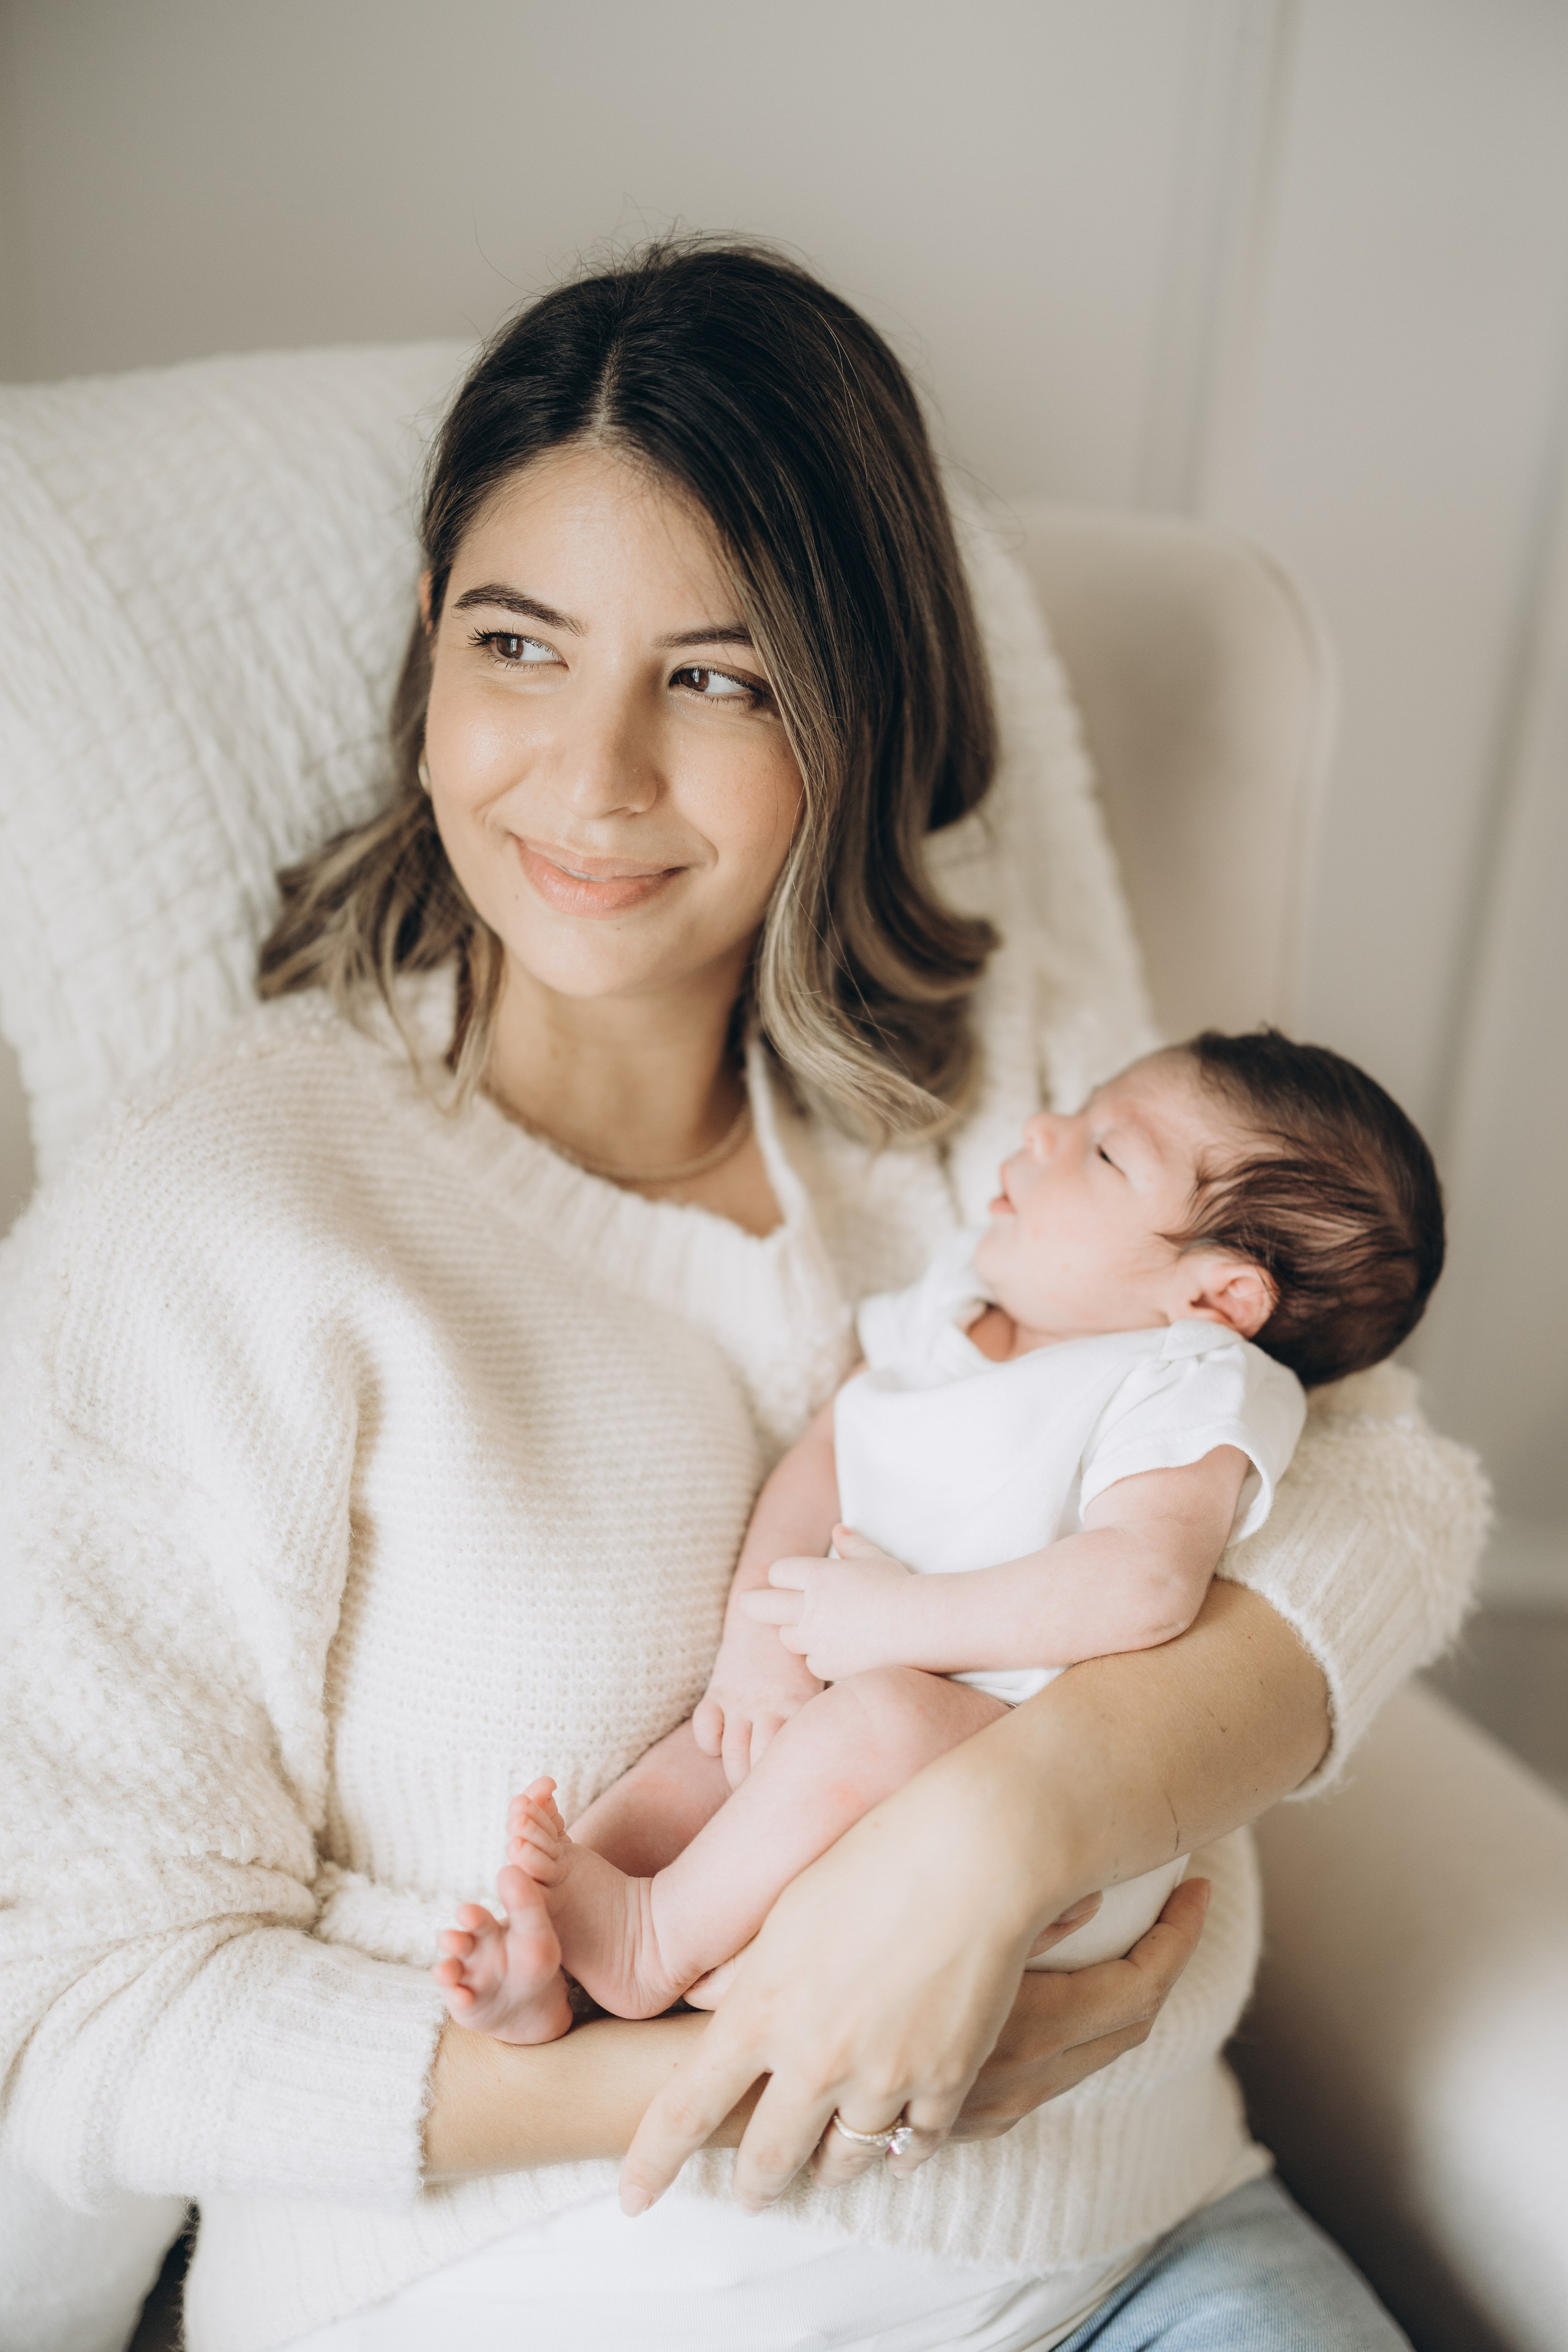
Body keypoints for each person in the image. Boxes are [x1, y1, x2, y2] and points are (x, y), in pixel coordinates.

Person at [0, 240, 1479, 2352]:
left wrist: (1008, 1836)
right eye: (520, 646)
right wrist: (798, 2048)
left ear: (851, 711)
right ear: (428, 652)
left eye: (718, 675)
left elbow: (1378, 1489)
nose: (593, 776)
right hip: (538, 2289)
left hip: (1125, 2249)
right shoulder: (214, 1223)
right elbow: (75, 2013)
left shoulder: (1011, 1093)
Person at [434, 1029, 1442, 2040]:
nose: (1046, 1127)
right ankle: (555, 1958)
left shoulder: (1187, 1378)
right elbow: (830, 1451)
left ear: (1217, 1296)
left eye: (1104, 1151)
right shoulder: (956, 1299)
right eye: (1078, 1110)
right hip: (849, 1684)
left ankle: (653, 1943)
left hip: (1012, 1757)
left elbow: (1145, 1583)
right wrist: (759, 1642)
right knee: (711, 1754)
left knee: (870, 1726)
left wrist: (898, 1625)